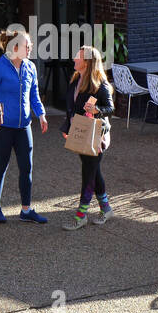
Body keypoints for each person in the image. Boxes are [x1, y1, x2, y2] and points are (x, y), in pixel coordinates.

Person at [0, 28, 49, 224]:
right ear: (15, 47)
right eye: (27, 45)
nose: (30, 48)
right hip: (3, 127)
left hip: (24, 126)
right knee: (1, 166)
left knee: (26, 168)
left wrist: (41, 114)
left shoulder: (30, 68)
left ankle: (26, 210)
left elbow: (34, 94)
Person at [60, 45, 116, 231]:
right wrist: (66, 127)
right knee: (94, 171)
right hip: (81, 133)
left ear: (87, 62)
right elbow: (71, 108)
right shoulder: (76, 79)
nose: (75, 58)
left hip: (96, 137)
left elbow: (110, 108)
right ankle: (106, 208)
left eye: (78, 56)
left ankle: (81, 215)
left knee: (88, 173)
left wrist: (97, 110)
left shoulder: (100, 84)